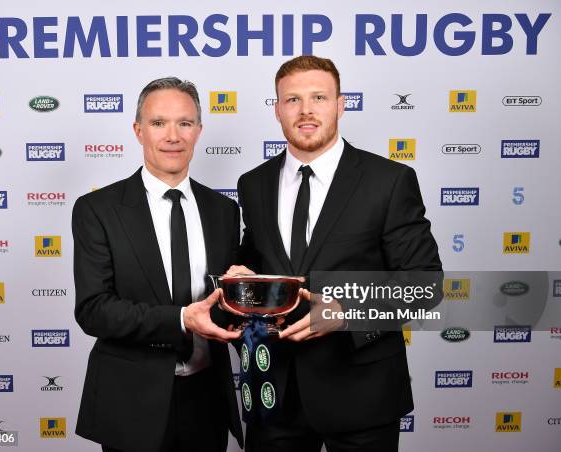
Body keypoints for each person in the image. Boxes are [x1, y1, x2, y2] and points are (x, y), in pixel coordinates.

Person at [229, 56, 442, 451]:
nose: (306, 110)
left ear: (341, 105)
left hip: (362, 396)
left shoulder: (389, 181)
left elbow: (424, 283)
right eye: (292, 100)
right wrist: (240, 284)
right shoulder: (253, 184)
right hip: (275, 393)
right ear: (277, 110)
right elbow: (257, 267)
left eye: (319, 98)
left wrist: (345, 312)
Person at [72, 77, 243, 452]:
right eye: (158, 123)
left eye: (184, 123)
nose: (172, 136)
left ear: (198, 131)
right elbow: (93, 310)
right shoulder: (98, 210)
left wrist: (248, 294)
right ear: (138, 131)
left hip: (207, 401)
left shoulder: (224, 211)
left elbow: (228, 300)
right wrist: (181, 319)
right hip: (131, 403)